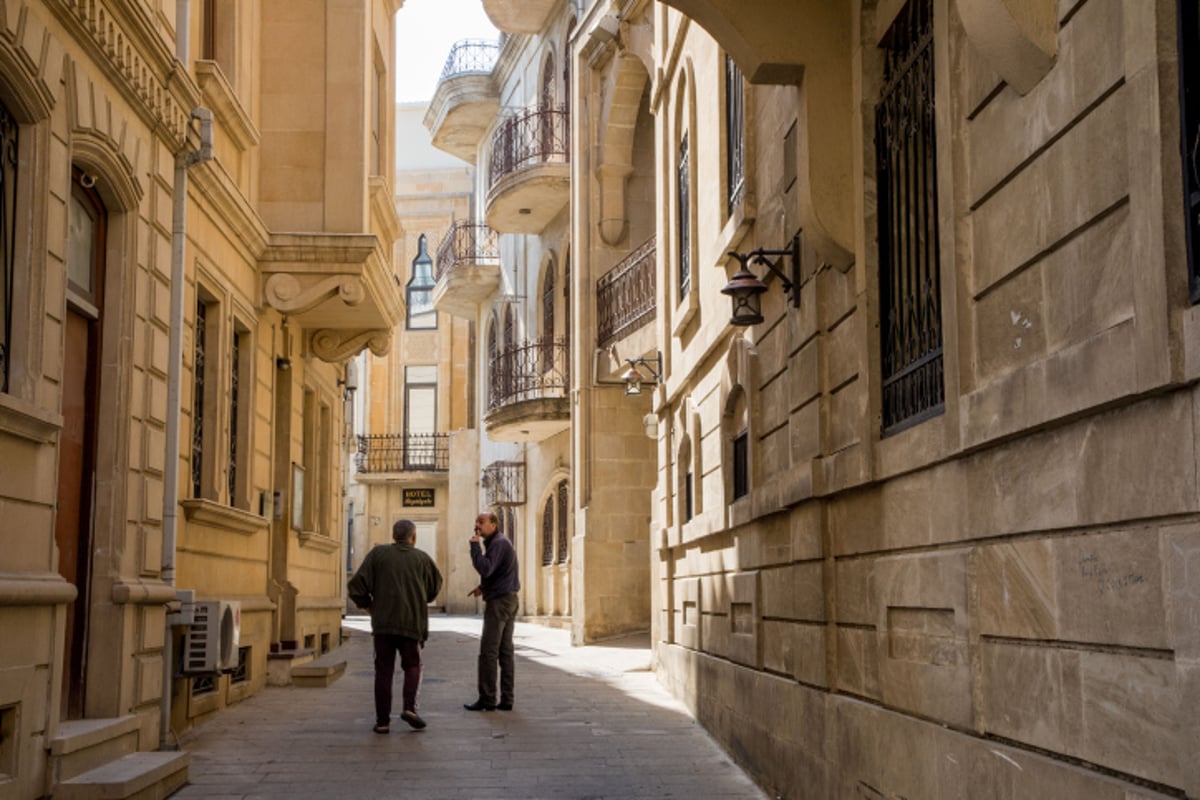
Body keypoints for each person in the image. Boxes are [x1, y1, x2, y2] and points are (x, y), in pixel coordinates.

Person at [348, 519, 442, 733]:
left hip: (383, 626)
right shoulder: (422, 559)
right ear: (414, 537)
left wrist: (369, 607)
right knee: (412, 666)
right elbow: (434, 589)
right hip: (411, 624)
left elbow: (356, 586)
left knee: (383, 671)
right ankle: (410, 708)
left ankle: (382, 722)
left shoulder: (377, 555)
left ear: (393, 535)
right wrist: (417, 596)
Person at [463, 511, 520, 712]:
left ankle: (487, 699)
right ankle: (507, 699)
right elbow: (498, 572)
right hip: (508, 598)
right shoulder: (500, 542)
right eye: (476, 521)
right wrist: (483, 588)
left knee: (489, 652)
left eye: (481, 522)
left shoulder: (498, 544)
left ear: (493, 525)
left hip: (500, 602)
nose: (477, 525)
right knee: (505, 652)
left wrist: (474, 547)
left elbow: (486, 568)